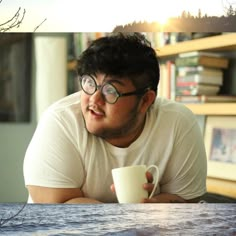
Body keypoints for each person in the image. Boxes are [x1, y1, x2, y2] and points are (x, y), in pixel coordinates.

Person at [23, 33, 207, 204]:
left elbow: (187, 203)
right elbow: (57, 210)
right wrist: (130, 219)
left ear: (145, 101)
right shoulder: (60, 122)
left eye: (111, 90)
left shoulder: (178, 123)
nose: (94, 99)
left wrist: (153, 205)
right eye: (89, 82)